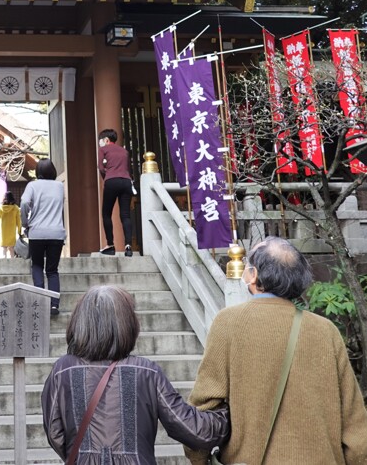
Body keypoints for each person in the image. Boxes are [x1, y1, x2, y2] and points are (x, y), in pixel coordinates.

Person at [184, 237, 367, 465]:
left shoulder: (229, 323)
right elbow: (354, 423)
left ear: (253, 275)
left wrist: (199, 459)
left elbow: (204, 408)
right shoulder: (326, 331)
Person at [42, 285, 229, 465]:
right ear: (127, 324)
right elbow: (192, 429)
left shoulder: (62, 369)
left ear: (79, 323)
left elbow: (55, 432)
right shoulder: (146, 372)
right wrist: (227, 413)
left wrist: (85, 455)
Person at [21, 159, 66, 315]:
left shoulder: (32, 185)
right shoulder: (60, 186)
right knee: (52, 270)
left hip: (37, 232)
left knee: (37, 265)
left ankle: (40, 303)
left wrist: (25, 223)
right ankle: (54, 305)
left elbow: (25, 202)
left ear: (38, 171)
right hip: (56, 232)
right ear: (53, 171)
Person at [97, 128, 134, 256]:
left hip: (112, 181)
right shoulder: (124, 151)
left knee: (106, 213)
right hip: (126, 181)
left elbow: (100, 167)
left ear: (106, 140)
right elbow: (128, 169)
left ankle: (110, 245)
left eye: (100, 141)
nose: (99, 143)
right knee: (125, 215)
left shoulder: (103, 150)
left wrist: (106, 178)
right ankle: (128, 246)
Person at [0, 191, 22, 258]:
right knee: (11, 249)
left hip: (2, 232)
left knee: (4, 249)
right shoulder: (16, 208)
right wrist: (20, 231)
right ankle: (12, 264)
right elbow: (19, 221)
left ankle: (4, 264)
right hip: (12, 231)